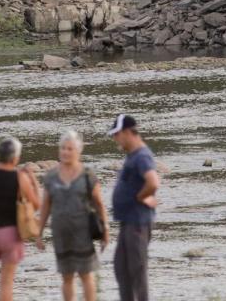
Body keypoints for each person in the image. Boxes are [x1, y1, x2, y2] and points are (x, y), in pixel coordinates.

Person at [36, 130, 110, 301]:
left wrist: (105, 229)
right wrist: (39, 233)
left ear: (78, 151)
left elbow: (99, 204)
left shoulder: (87, 175)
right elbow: (46, 205)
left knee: (86, 275)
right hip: (61, 233)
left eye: (70, 149)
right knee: (66, 276)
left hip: (83, 233)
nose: (65, 152)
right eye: (63, 148)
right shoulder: (51, 176)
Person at [0, 137, 40, 301]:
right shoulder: (19, 178)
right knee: (6, 283)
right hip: (10, 234)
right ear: (15, 158)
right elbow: (36, 205)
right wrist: (33, 181)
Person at [108, 114, 159, 301]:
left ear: (128, 132)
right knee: (121, 268)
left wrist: (140, 196)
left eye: (117, 134)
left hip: (137, 224)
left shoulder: (142, 155)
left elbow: (153, 182)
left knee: (137, 272)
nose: (115, 138)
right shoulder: (133, 156)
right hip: (127, 222)